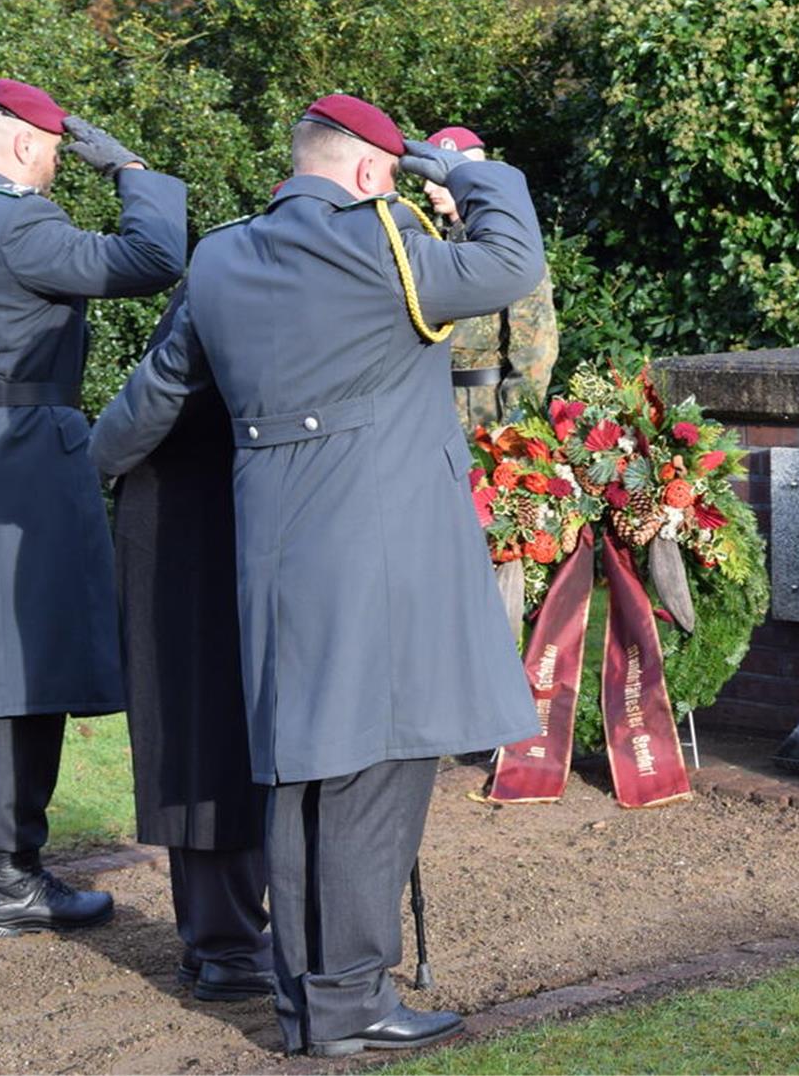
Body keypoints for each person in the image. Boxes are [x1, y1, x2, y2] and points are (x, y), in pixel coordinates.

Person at [90, 94, 543, 1056]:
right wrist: (463, 169)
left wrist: (94, 467)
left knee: (301, 773)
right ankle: (348, 1003)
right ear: (377, 172)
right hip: (381, 549)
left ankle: (311, 1001)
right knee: (376, 775)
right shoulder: (384, 244)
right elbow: (512, 261)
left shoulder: (221, 256)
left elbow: (149, 402)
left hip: (274, 546)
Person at [0, 77, 186, 938]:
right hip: (23, 453)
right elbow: (156, 258)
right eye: (56, 147)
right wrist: (128, 166)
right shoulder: (22, 224)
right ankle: (10, 878)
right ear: (23, 144)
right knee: (27, 664)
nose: (60, 160)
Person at [109, 282, 273, 1002]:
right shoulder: (241, 287)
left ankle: (219, 940)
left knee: (207, 732)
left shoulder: (220, 280)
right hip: (196, 525)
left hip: (186, 517)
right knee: (213, 736)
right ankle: (226, 945)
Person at [423, 125, 557, 430]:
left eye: (440, 178)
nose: (428, 189)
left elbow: (535, 349)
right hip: (429, 409)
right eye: (426, 178)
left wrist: (515, 428)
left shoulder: (508, 244)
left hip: (487, 414)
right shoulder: (426, 242)